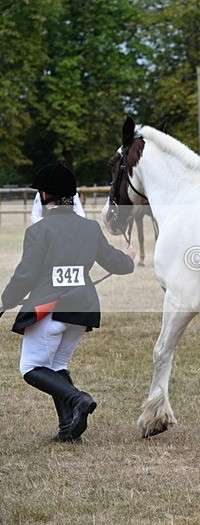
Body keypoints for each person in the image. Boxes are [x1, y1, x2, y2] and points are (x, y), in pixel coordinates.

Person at [1, 163, 137, 442]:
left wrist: (5, 301)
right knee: (57, 365)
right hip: (81, 311)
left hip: (50, 310)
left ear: (46, 195)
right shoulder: (89, 228)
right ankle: (68, 430)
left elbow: (25, 276)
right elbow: (116, 263)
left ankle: (78, 400)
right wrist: (129, 257)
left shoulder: (39, 231)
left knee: (30, 368)